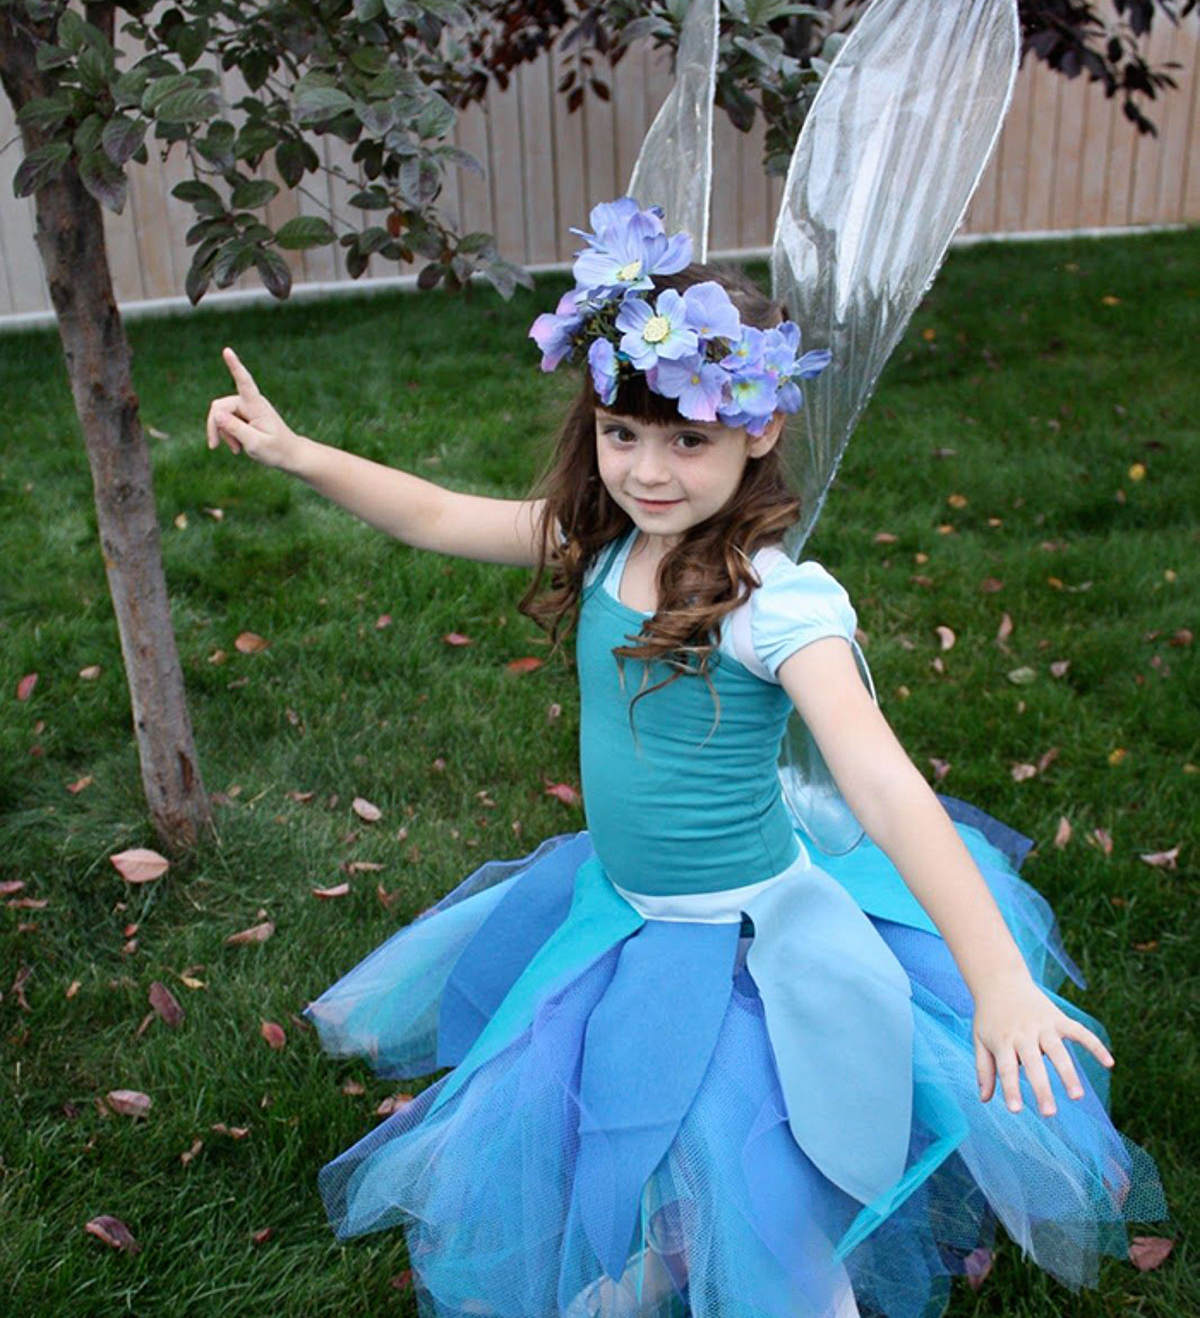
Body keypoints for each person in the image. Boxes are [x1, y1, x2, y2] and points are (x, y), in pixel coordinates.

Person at [206, 199, 1162, 1318]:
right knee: (616, 1113)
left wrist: (999, 977)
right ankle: (665, 1256)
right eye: (624, 433)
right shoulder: (609, 541)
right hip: (622, 905)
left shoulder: (776, 605)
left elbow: (890, 791)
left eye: (688, 439)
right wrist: (294, 448)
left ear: (757, 430)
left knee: (765, 1180)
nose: (649, 471)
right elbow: (432, 513)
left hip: (745, 939)